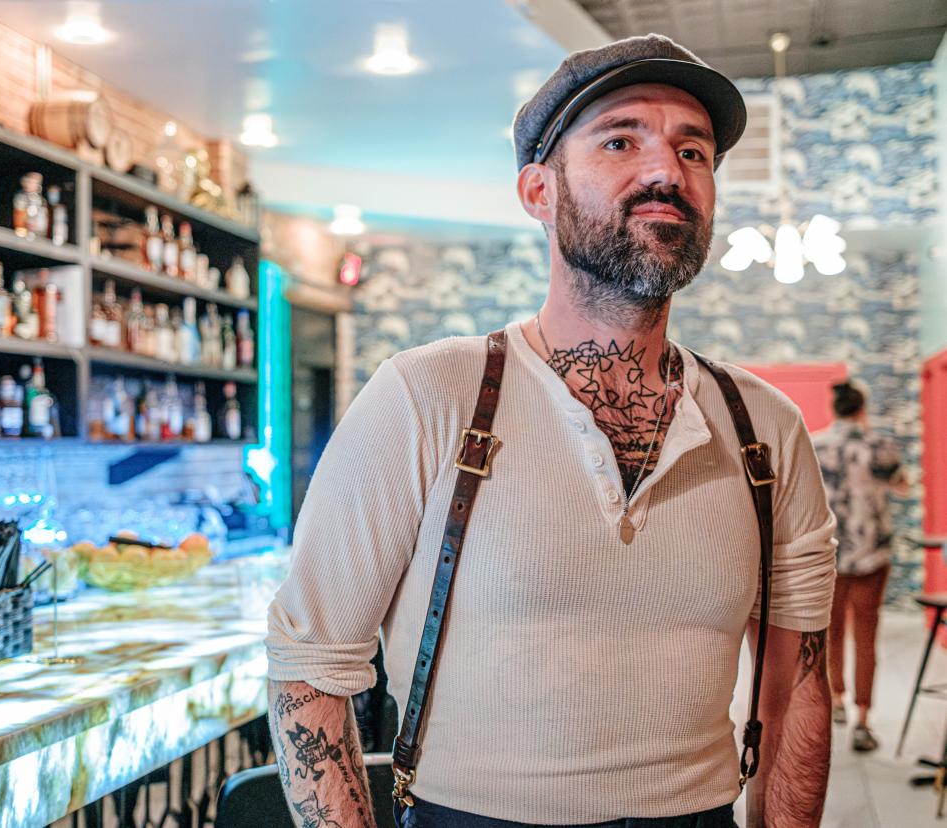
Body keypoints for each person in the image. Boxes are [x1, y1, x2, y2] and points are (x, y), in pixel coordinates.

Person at [265, 33, 837, 828]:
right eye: (620, 139)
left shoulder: (764, 430)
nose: (667, 171)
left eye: (694, 151)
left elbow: (798, 684)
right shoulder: (428, 396)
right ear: (538, 190)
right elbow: (309, 667)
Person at [813, 379, 909, 753]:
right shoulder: (879, 446)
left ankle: (836, 700)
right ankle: (863, 718)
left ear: (834, 407)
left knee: (830, 631)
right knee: (866, 636)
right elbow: (901, 485)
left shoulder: (814, 444)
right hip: (871, 553)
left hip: (829, 554)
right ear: (862, 408)